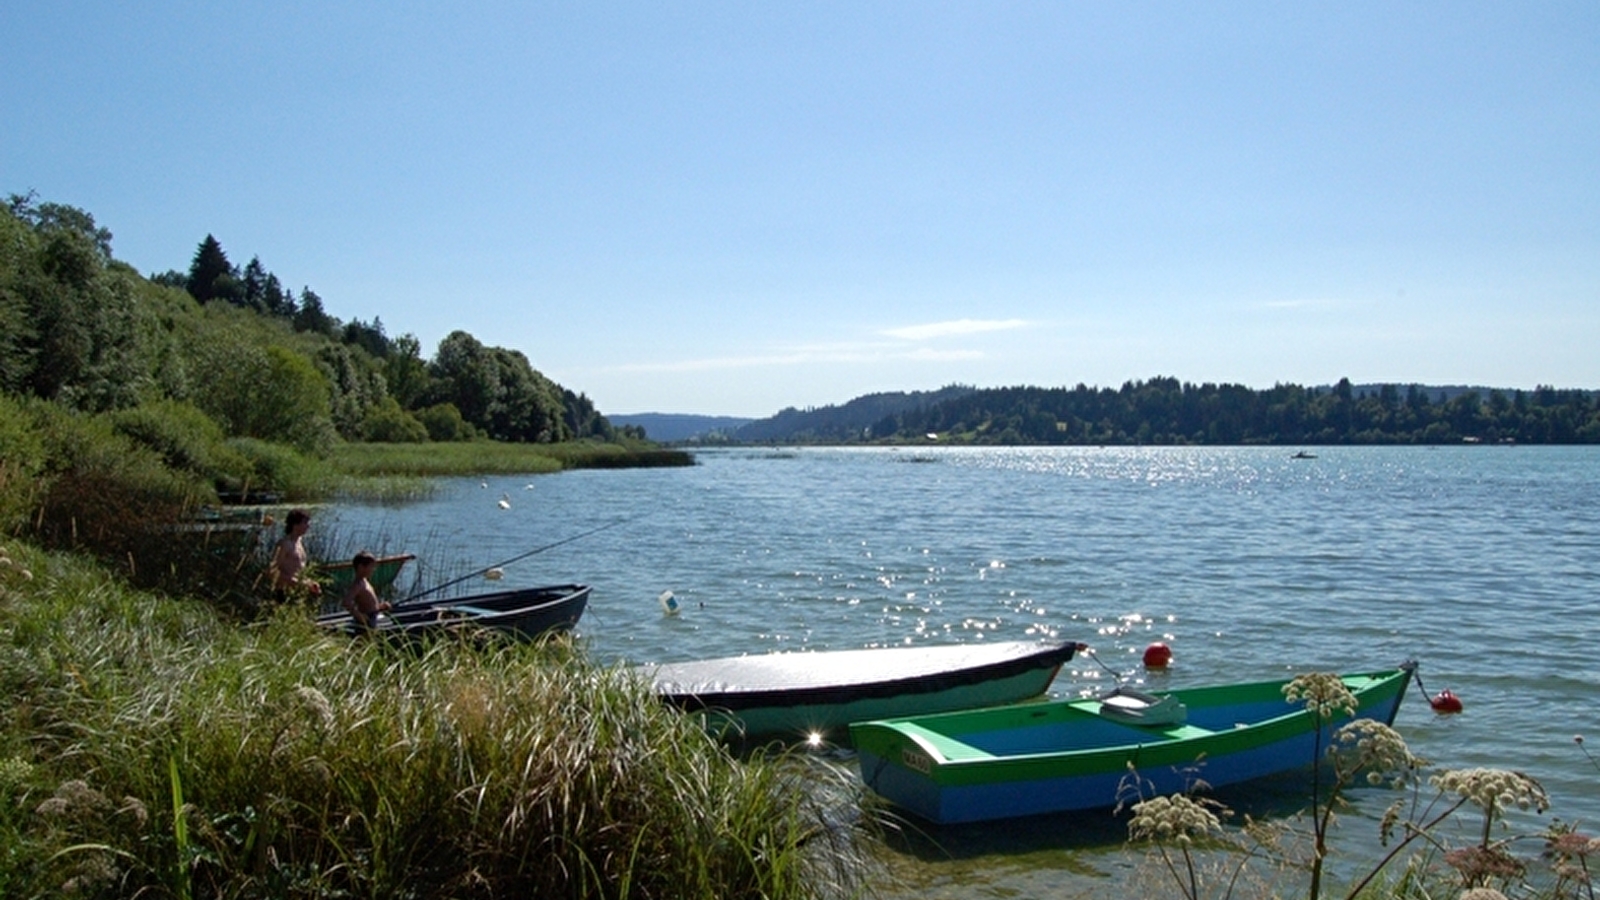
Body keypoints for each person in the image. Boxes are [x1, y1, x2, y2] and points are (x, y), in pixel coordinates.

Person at [271, 509, 322, 601]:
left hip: (298, 590)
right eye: (305, 523)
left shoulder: (299, 542)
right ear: (295, 525)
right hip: (284, 593)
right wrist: (297, 582)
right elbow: (273, 571)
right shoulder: (284, 544)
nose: (308, 526)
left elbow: (298, 568)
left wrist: (309, 583)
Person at [341, 551, 391, 629]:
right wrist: (359, 616)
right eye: (371, 566)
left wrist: (380, 607)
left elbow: (367, 602)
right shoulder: (358, 585)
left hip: (374, 616)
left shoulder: (365, 581)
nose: (373, 569)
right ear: (361, 567)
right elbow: (346, 602)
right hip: (368, 621)